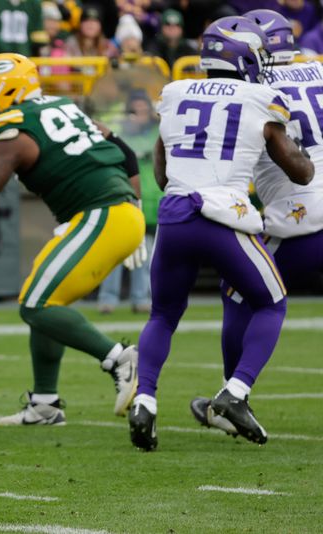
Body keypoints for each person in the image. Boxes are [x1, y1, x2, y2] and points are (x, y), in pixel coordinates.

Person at [129, 16, 314, 451]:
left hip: (175, 214)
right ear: (247, 54)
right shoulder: (260, 97)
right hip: (224, 216)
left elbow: (160, 167)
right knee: (271, 303)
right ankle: (236, 392)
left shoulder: (173, 92)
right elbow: (299, 171)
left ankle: (144, 400)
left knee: (162, 316)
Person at [0, 53, 144, 425]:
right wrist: (136, 207)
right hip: (117, 213)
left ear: (6, 89)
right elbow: (126, 155)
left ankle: (118, 358)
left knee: (35, 304)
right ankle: (45, 404)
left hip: (101, 214)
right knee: (46, 299)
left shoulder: (12, 125)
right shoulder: (65, 106)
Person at [191, 9, 323, 438]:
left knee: (240, 293)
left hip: (301, 217)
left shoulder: (254, 88)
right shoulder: (318, 70)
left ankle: (234, 394)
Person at [97, 90, 161, 314]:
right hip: (123, 196)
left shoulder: (157, 132)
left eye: (143, 109)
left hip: (150, 200)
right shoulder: (120, 134)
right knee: (116, 251)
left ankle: (141, 298)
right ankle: (108, 299)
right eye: (135, 110)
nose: (140, 114)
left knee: (145, 253)